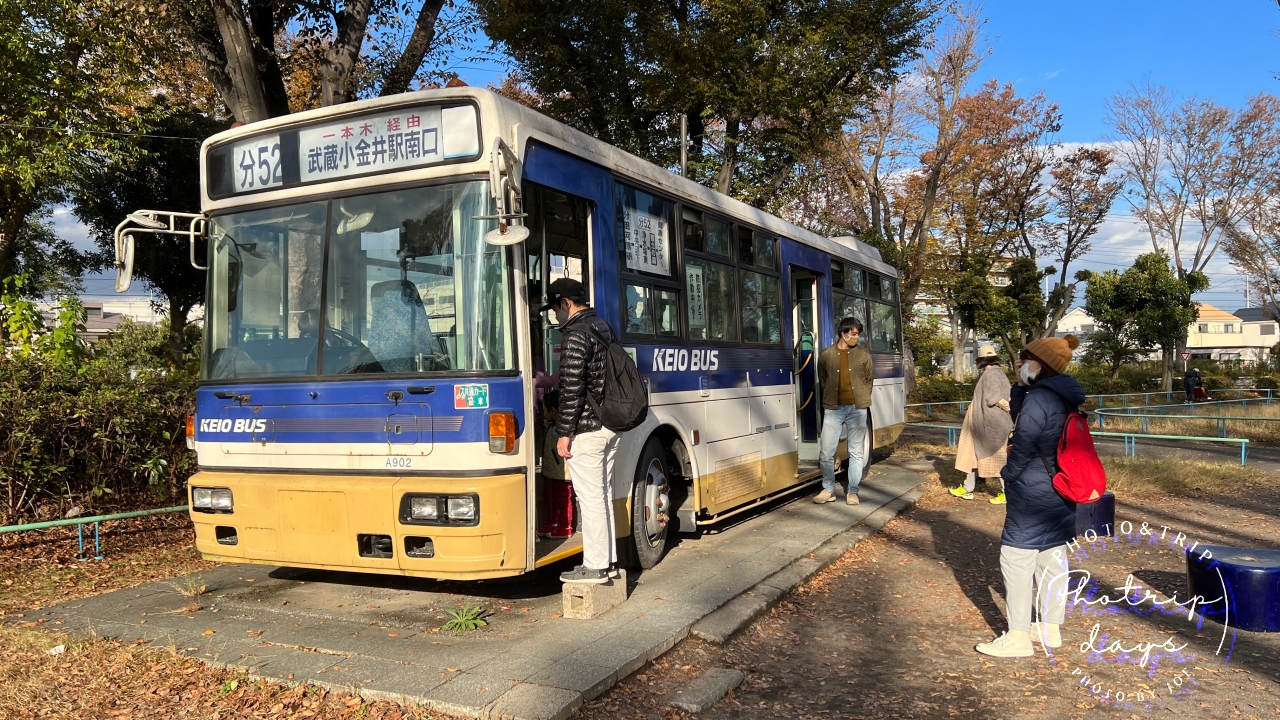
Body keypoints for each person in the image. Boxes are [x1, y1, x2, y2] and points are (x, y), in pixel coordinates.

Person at [975, 334, 1084, 658]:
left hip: (1034, 488)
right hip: (1060, 487)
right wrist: (1022, 386)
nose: (1020, 364)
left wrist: (1008, 473)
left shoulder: (1042, 399)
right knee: (1052, 557)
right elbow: (1022, 413)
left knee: (1016, 559)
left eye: (1026, 359)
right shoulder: (1061, 394)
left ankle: (1018, 637)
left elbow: (1024, 440)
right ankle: (1050, 629)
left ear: (1043, 364)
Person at [542, 277, 621, 585]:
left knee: (589, 498)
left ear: (566, 303)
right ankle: (608, 562)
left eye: (554, 309)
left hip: (588, 428)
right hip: (610, 423)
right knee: (602, 495)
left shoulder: (575, 334)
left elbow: (571, 387)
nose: (555, 316)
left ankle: (596, 565)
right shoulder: (602, 326)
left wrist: (564, 432)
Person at [814, 317, 874, 506]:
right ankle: (828, 489)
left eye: (858, 334)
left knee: (856, 452)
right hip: (833, 409)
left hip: (857, 409)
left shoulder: (864, 355)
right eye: (854, 334)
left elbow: (868, 381)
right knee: (826, 452)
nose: (856, 338)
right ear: (844, 333)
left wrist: (861, 399)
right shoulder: (826, 355)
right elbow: (823, 380)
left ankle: (853, 491)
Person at [950, 346, 1012, 503]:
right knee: (971, 454)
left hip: (988, 423)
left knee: (996, 458)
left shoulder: (991, 375)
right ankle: (967, 488)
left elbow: (996, 398)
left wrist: (1010, 408)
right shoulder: (999, 373)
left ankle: (1007, 493)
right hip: (979, 421)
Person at [536, 388, 576, 540]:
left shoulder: (562, 429)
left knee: (563, 500)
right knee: (550, 499)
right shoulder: (550, 425)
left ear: (553, 411)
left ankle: (565, 526)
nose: (542, 412)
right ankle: (552, 523)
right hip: (550, 471)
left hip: (562, 473)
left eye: (544, 409)